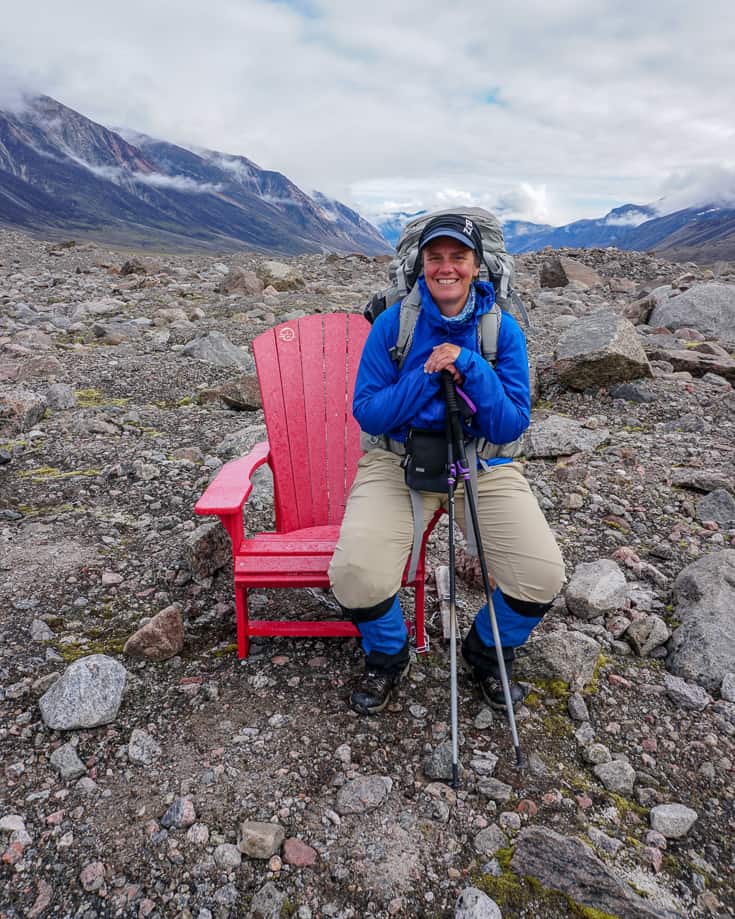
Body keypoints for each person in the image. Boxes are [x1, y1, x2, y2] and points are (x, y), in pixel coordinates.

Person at [329, 213, 565, 714]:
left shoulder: (502, 331)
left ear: (477, 265)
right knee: (356, 574)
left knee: (540, 576)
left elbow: (508, 425)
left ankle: (486, 652)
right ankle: (389, 654)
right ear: (420, 264)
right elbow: (369, 411)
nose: (446, 268)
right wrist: (425, 372)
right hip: (399, 462)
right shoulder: (394, 324)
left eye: (458, 256)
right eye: (435, 257)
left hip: (483, 464)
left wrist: (471, 365)